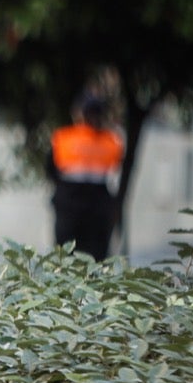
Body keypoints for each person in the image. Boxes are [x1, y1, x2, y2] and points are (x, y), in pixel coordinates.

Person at [49, 94, 124, 261]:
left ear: (79, 114)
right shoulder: (112, 141)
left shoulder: (63, 138)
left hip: (69, 206)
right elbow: (115, 172)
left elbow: (51, 170)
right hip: (98, 209)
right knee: (96, 261)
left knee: (65, 259)